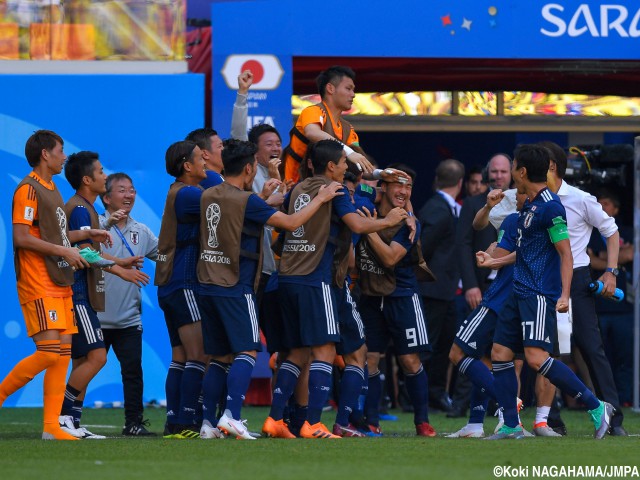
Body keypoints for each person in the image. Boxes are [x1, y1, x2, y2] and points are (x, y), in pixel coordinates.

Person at [262, 140, 407, 439]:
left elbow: (281, 229)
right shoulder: (335, 191)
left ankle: (275, 418)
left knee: (298, 351)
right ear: (331, 166)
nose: (346, 166)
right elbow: (355, 225)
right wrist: (387, 220)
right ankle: (313, 423)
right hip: (317, 280)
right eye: (343, 162)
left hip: (287, 278)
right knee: (325, 350)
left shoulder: (300, 188)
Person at [198, 139, 342, 440]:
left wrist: (265, 198)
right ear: (250, 168)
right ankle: (233, 416)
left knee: (220, 356)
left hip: (207, 282)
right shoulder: (247, 201)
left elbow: (243, 213)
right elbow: (290, 223)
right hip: (236, 284)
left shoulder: (209, 194)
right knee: (247, 350)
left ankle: (207, 424)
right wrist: (322, 197)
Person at [486, 144, 612, 440]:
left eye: (514, 166)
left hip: (538, 294)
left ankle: (596, 407)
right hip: (517, 291)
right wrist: (494, 260)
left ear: (522, 171)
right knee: (500, 354)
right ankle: (511, 425)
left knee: (535, 358)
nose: (512, 173)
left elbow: (565, 254)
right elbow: (524, 252)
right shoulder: (529, 205)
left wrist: (565, 294)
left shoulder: (551, 206)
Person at [0, 130, 88, 440]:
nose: (64, 156)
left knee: (63, 354)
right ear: (45, 155)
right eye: (60, 151)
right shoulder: (28, 189)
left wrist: (80, 241)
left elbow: (56, 236)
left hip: (59, 279)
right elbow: (21, 237)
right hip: (38, 281)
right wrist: (65, 251)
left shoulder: (53, 188)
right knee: (49, 352)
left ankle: (52, 427)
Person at [61, 151, 150, 439]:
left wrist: (119, 261)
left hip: (92, 300)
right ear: (88, 180)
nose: (104, 175)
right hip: (79, 294)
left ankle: (69, 420)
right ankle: (62, 416)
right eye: (100, 172)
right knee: (96, 358)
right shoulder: (79, 208)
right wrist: (120, 268)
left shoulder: (85, 208)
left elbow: (80, 244)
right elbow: (83, 252)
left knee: (90, 361)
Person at [541, 141, 627, 436]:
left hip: (577, 280)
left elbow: (611, 231)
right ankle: (551, 420)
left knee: (591, 348)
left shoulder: (580, 198)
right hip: (543, 279)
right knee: (547, 351)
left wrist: (611, 272)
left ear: (550, 166)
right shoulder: (531, 199)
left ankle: (613, 419)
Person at [357, 164, 437, 437]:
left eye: (409, 187)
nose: (403, 191)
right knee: (369, 358)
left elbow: (391, 257)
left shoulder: (409, 223)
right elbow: (357, 179)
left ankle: (422, 421)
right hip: (370, 295)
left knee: (409, 361)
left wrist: (368, 228)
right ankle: (370, 421)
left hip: (403, 296)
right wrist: (379, 175)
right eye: (398, 185)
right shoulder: (366, 200)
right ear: (384, 188)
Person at [447, 192, 527, 438]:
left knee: (458, 354)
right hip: (521, 299)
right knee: (487, 361)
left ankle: (507, 401)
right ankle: (474, 423)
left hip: (498, 298)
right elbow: (478, 224)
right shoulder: (545, 217)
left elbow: (498, 256)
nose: (515, 197)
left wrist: (491, 253)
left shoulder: (515, 220)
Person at [98, 173, 159, 436]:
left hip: (128, 319)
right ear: (106, 197)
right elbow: (83, 254)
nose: (128, 195)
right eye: (122, 190)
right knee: (83, 368)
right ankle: (69, 418)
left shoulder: (142, 231)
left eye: (132, 190)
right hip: (95, 317)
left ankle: (133, 423)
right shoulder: (95, 228)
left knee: (133, 371)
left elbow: (165, 255)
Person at [155, 140, 208, 439]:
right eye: (202, 158)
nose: (207, 163)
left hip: (171, 285)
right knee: (198, 355)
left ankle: (174, 421)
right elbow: (226, 209)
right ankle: (188, 422)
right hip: (184, 283)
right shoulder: (188, 194)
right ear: (187, 165)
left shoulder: (180, 191)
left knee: (180, 356)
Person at [417, 159, 465, 414]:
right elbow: (422, 248)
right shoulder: (438, 208)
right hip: (431, 290)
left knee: (443, 346)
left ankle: (435, 394)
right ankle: (420, 396)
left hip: (443, 291)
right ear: (460, 183)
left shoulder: (446, 208)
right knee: (427, 346)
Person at [282, 65, 372, 182]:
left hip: (327, 191)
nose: (353, 94)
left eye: (353, 90)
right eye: (348, 89)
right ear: (330, 88)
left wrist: (381, 174)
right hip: (294, 190)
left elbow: (358, 167)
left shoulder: (348, 129)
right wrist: (349, 152)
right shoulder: (312, 111)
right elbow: (312, 133)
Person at [588, 189, 634, 407]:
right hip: (598, 307)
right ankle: (602, 401)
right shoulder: (589, 233)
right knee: (601, 357)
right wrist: (615, 260)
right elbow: (588, 260)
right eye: (599, 203)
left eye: (606, 203)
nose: (602, 207)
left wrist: (601, 258)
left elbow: (631, 254)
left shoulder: (626, 230)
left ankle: (624, 399)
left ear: (615, 208)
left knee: (626, 357)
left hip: (624, 309)